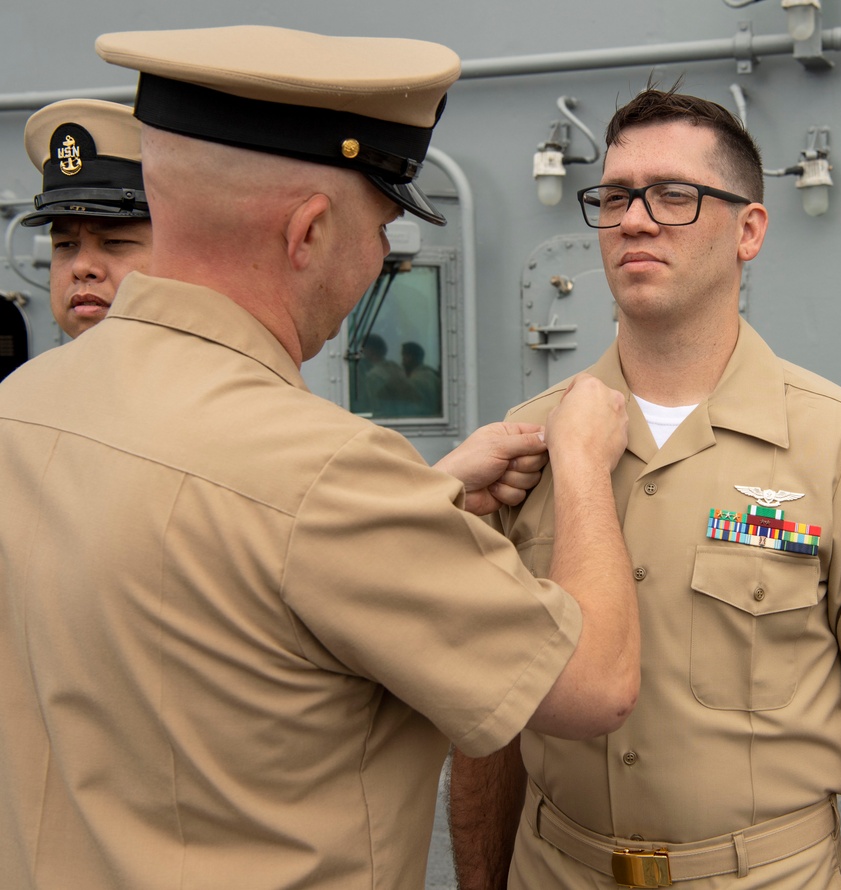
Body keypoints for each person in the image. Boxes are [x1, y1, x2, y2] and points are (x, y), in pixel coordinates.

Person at [0, 26, 641, 890]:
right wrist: (585, 464)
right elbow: (593, 686)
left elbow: (197, 550)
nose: (381, 257)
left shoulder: (23, 409)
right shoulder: (326, 472)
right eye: (381, 228)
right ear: (307, 231)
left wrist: (426, 493)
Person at [449, 84, 841, 890]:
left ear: (749, 230)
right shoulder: (524, 447)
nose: (634, 219)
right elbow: (486, 719)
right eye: (618, 195)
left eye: (674, 195)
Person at [22, 98, 152, 338]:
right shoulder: (36, 377)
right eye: (65, 245)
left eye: (114, 242)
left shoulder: (222, 375)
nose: (81, 268)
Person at [402, 340, 442, 415]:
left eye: (404, 356)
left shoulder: (416, 380)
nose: (402, 361)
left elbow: (415, 408)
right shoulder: (432, 376)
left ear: (410, 357)